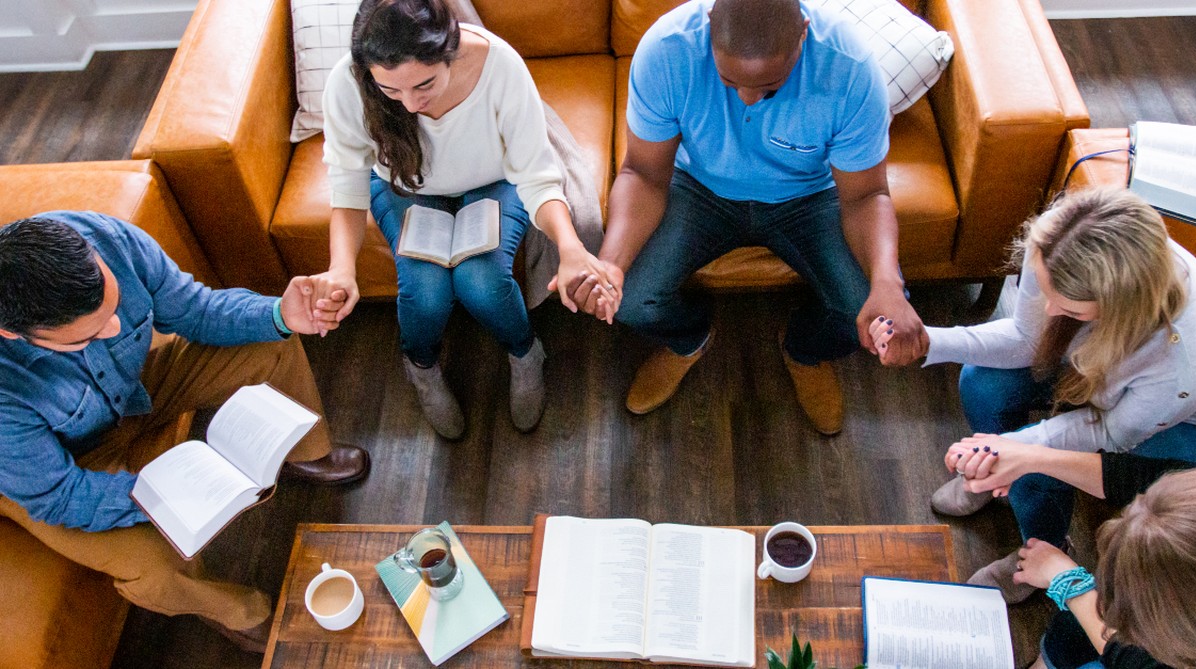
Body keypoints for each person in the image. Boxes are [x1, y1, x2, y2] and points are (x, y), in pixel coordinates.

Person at [879, 187, 1196, 602]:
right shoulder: (1058, 247)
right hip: (1110, 376)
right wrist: (930, 342)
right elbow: (1024, 338)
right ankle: (994, 479)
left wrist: (1015, 450)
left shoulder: (1186, 357)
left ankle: (1045, 545)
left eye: (1069, 310)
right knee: (982, 383)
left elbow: (1111, 434)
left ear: (1118, 306)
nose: (1050, 312)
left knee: (1040, 468)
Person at [0, 212, 371, 652]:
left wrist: (278, 313)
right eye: (88, 335)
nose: (115, 327)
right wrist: (173, 495)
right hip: (57, 467)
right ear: (12, 333)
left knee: (270, 339)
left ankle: (304, 454)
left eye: (114, 307)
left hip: (133, 391)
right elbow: (59, 495)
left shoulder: (106, 236)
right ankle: (244, 616)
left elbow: (195, 311)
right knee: (154, 566)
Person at [564, 0, 924, 435]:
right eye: (728, 81)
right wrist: (611, 266)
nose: (748, 98)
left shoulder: (850, 69)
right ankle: (688, 341)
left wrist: (888, 284)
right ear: (711, 27)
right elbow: (643, 173)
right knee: (632, 297)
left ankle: (805, 351)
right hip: (698, 188)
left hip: (808, 197)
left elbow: (866, 195)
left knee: (862, 303)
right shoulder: (666, 49)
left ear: (803, 34)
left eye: (770, 85)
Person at [315, 0, 618, 438]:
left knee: (483, 282)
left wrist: (570, 247)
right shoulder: (348, 82)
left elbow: (536, 176)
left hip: (493, 182)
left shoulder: (501, 68)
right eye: (391, 92)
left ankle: (525, 354)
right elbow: (347, 184)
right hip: (404, 187)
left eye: (424, 84)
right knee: (424, 292)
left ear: (450, 48)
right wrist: (342, 269)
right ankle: (422, 368)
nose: (411, 105)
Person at [948, 439, 1196, 669]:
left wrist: (1070, 584)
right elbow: (1149, 478)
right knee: (1076, 623)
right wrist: (1035, 457)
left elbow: (1137, 661)